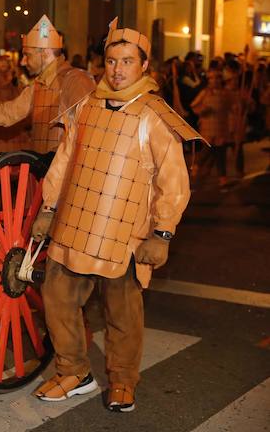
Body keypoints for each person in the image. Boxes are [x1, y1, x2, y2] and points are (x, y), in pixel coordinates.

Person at [30, 22, 199, 412]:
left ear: (144, 65)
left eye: (127, 62)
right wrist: (48, 209)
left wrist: (163, 233)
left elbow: (174, 180)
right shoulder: (86, 106)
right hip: (74, 226)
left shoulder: (154, 115)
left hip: (124, 235)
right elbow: (64, 162)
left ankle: (123, 379)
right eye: (111, 61)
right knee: (56, 297)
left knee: (122, 313)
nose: (117, 70)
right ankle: (73, 371)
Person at [0, 15, 95, 155]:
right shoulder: (39, 85)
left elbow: (87, 128)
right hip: (43, 170)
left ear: (45, 53)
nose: (22, 62)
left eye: (27, 55)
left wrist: (59, 156)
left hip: (65, 171)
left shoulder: (77, 79)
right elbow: (11, 112)